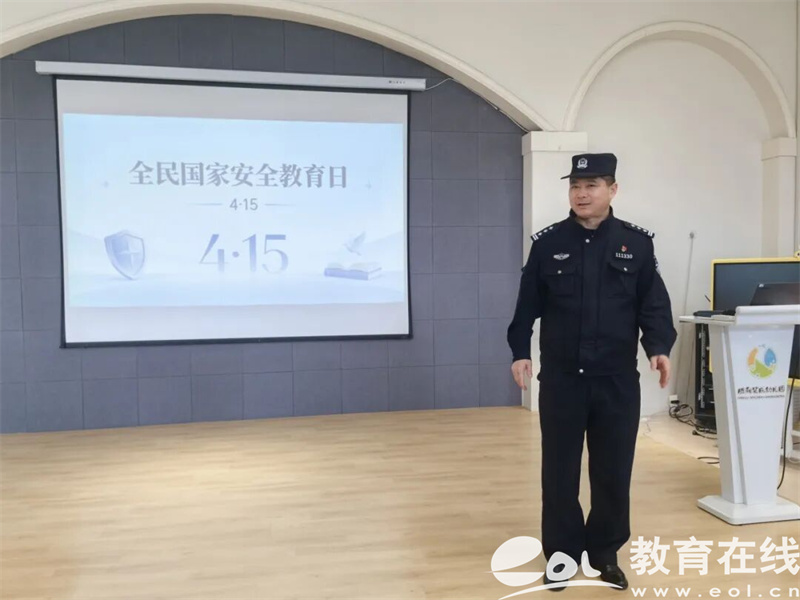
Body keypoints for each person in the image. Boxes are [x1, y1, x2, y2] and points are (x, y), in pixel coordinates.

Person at [506, 153, 677, 592]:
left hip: (616, 381)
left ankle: (604, 554)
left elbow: (653, 304)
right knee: (559, 473)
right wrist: (520, 351)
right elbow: (527, 305)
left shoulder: (636, 245)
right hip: (563, 380)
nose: (581, 194)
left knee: (613, 472)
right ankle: (562, 555)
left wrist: (658, 347)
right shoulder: (547, 244)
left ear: (612, 189)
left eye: (592, 185)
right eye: (575, 186)